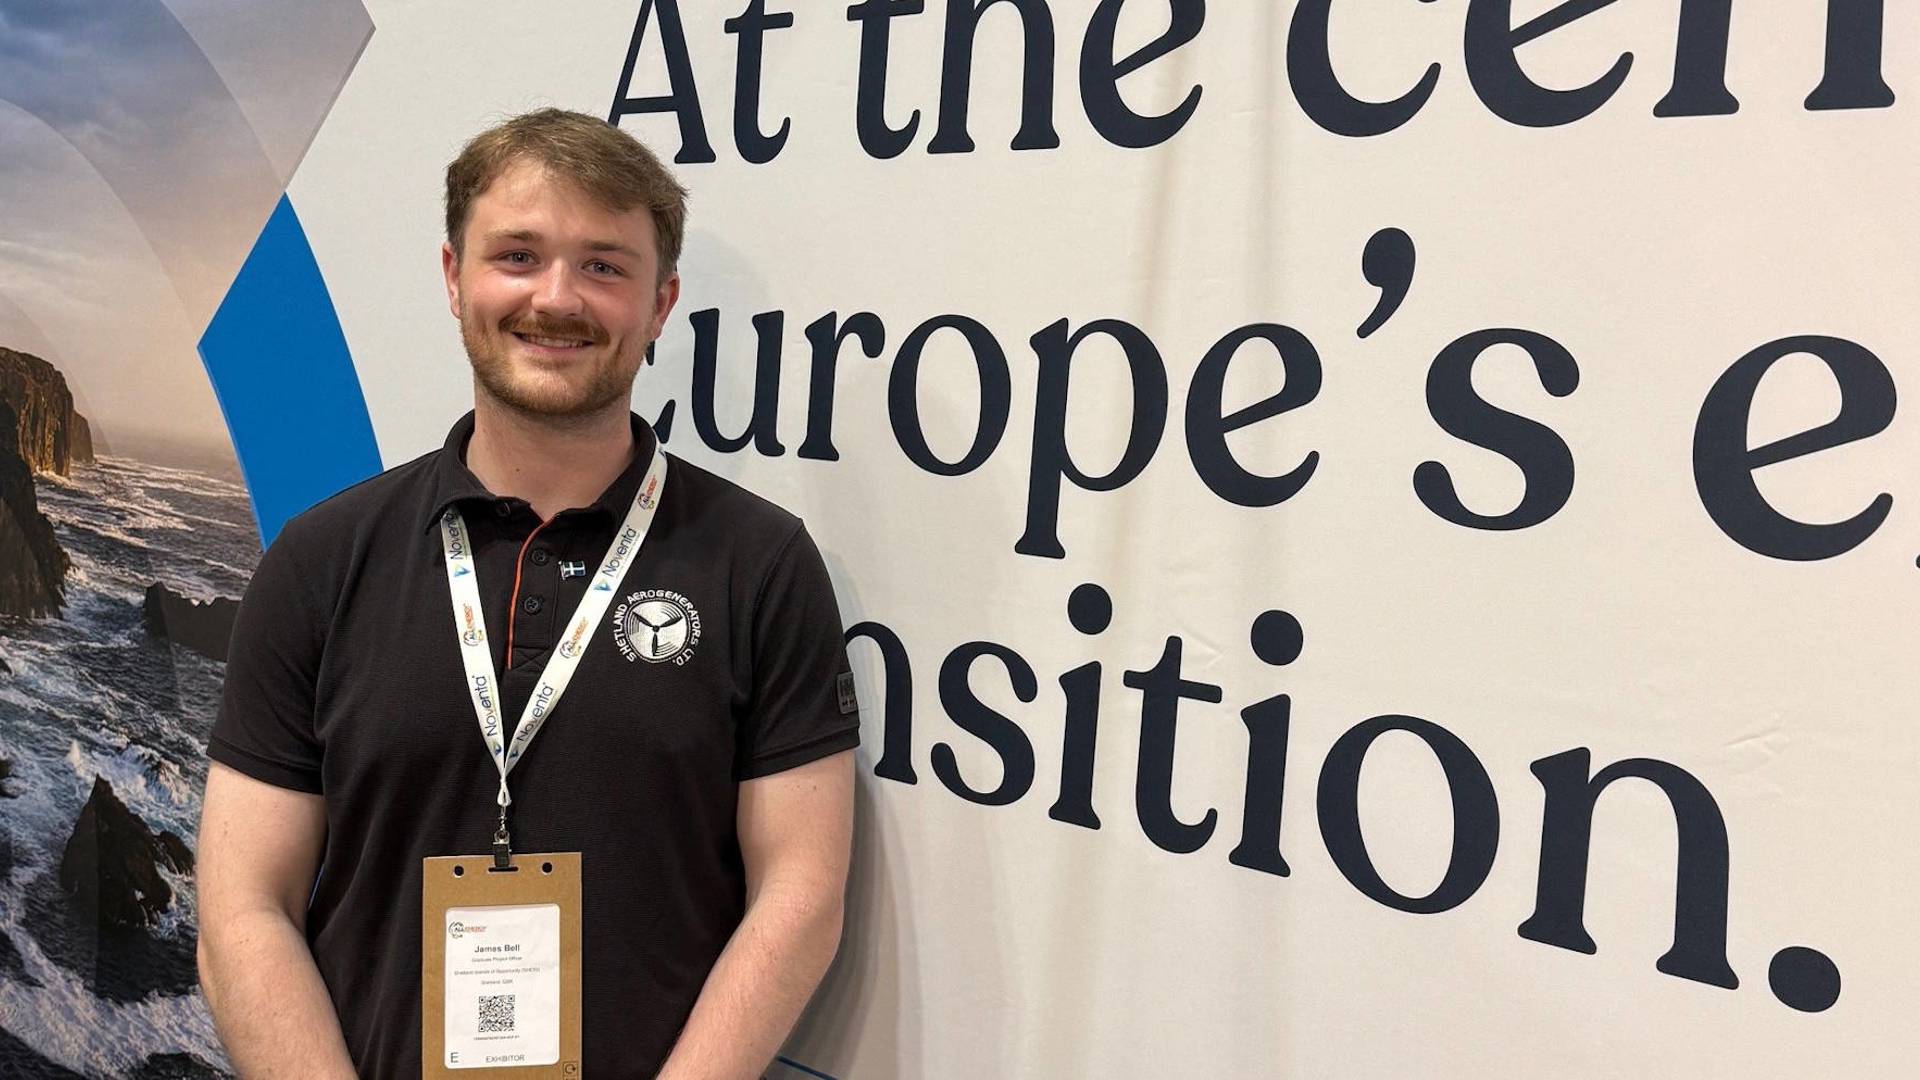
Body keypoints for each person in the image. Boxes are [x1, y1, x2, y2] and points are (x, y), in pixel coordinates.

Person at [195, 107, 858, 1079]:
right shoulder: (322, 559)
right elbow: (242, 908)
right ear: (453, 277)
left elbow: (800, 901)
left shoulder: (760, 565)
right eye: (518, 256)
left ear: (661, 303)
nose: (557, 298)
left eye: (604, 266)